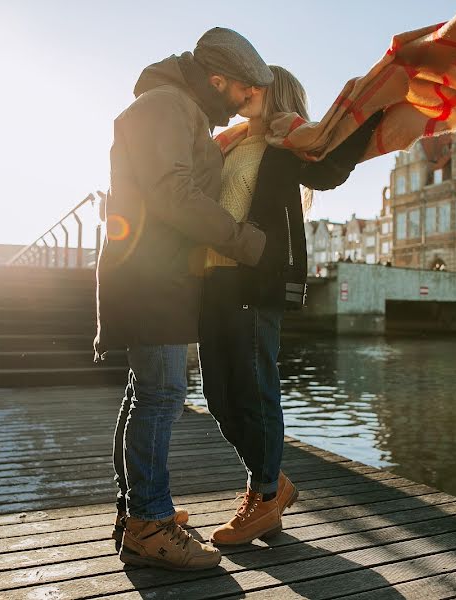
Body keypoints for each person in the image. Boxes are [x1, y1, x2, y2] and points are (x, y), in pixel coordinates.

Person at [94, 28, 280, 571]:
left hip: (158, 272)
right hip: (150, 272)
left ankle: (140, 513)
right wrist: (247, 243)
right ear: (217, 80)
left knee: (148, 392)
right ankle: (148, 523)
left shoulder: (175, 107)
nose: (245, 101)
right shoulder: (166, 105)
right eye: (242, 90)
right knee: (161, 395)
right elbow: (175, 193)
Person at [198, 65, 383, 545]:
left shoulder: (289, 145)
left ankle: (261, 496)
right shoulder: (232, 142)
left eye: (258, 85)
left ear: (276, 92)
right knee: (219, 395)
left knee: (257, 388)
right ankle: (273, 485)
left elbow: (330, 170)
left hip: (259, 277)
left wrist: (370, 110)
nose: (247, 91)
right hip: (214, 276)